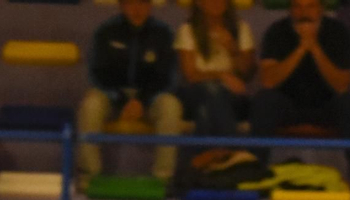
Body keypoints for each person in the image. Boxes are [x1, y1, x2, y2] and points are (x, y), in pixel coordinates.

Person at [253, 0, 350, 200]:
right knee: (264, 100)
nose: (304, 12)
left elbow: (341, 84)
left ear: (321, 9)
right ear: (291, 9)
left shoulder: (337, 31)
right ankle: (255, 173)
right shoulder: (277, 31)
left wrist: (315, 48)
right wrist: (300, 49)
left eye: (310, 6)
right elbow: (268, 81)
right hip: (287, 104)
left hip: (326, 104)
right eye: (298, 6)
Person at [77, 0, 182, 187]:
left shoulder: (163, 33)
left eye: (142, 3)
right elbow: (97, 74)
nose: (136, 9)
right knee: (90, 105)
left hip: (150, 98)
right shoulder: (106, 31)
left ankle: (164, 178)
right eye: (131, 3)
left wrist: (141, 101)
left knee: (171, 106)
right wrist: (123, 100)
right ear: (121, 5)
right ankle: (89, 176)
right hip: (112, 96)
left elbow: (167, 78)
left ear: (150, 6)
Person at [175, 0, 255, 142]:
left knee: (206, 111)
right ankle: (229, 154)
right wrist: (221, 75)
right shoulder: (188, 29)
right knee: (212, 91)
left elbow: (247, 73)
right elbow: (190, 75)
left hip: (232, 96)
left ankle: (207, 159)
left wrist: (232, 49)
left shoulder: (240, 28)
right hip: (196, 92)